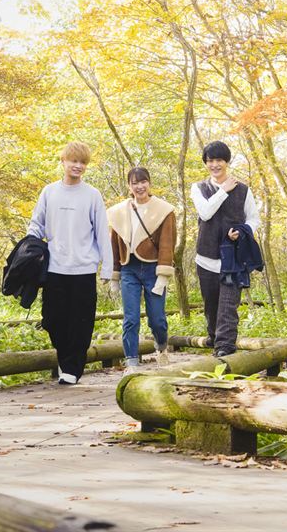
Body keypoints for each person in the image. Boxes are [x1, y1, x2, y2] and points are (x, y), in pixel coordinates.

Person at [26, 141, 113, 385]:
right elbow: (36, 225)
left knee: (81, 322)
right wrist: (30, 249)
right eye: (73, 161)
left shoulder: (92, 195)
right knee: (52, 319)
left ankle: (72, 369)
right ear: (63, 162)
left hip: (84, 268)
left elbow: (102, 234)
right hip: (55, 267)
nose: (78, 166)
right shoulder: (49, 192)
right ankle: (66, 361)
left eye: (82, 162)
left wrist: (107, 268)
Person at [190, 140, 260, 358]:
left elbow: (254, 218)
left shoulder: (243, 190)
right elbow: (205, 213)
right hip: (206, 258)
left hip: (234, 259)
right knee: (212, 307)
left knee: (228, 307)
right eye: (210, 161)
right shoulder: (199, 188)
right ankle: (215, 338)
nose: (214, 165)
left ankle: (224, 349)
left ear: (227, 162)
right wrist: (223, 190)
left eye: (219, 160)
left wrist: (243, 230)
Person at [107, 167, 176, 371]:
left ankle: (161, 346)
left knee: (157, 319)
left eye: (143, 181)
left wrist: (163, 276)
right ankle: (131, 361)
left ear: (149, 183)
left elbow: (167, 243)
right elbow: (114, 243)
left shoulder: (164, 210)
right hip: (130, 268)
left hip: (154, 268)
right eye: (135, 183)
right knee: (131, 318)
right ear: (129, 186)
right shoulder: (119, 212)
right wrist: (114, 275)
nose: (139, 186)